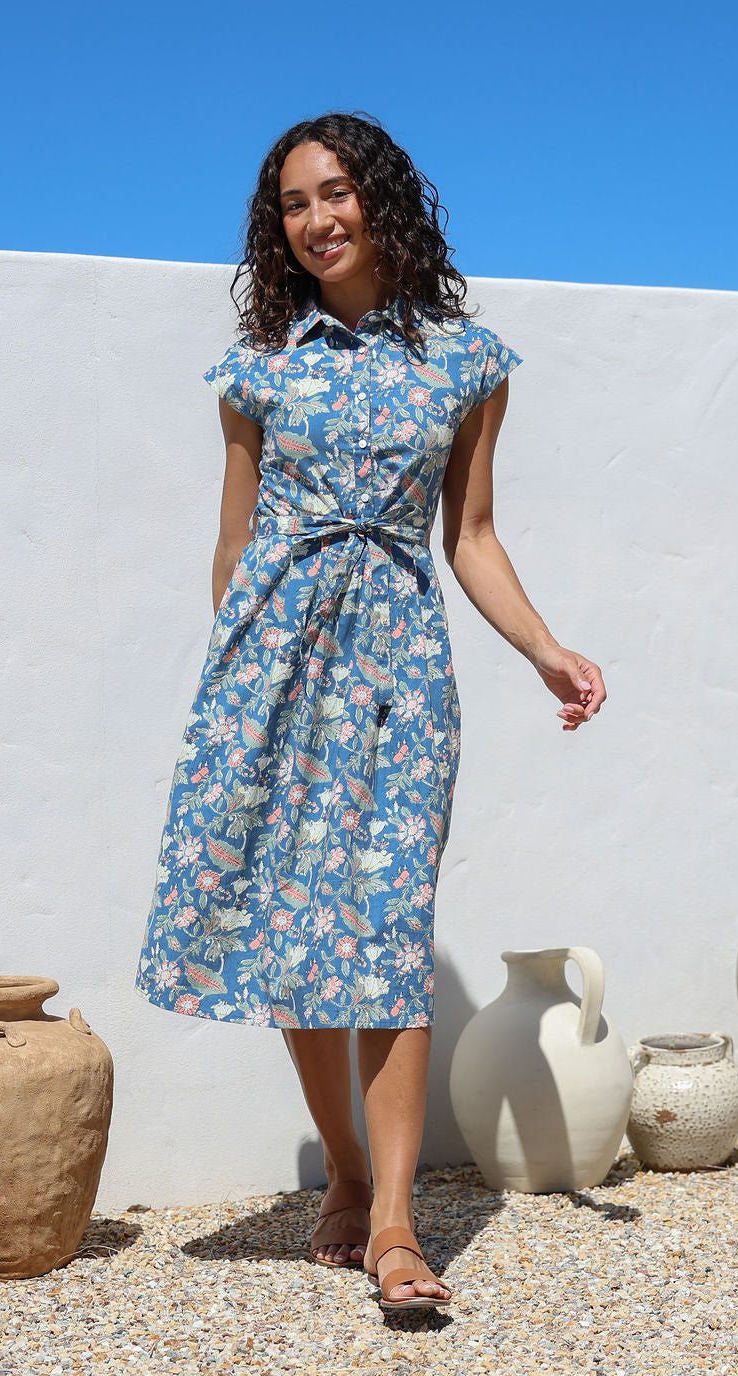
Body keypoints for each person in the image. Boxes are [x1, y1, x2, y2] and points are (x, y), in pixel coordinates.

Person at [136, 113, 606, 1313]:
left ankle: (395, 1225)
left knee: (389, 928)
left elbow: (472, 534)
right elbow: (233, 541)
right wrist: (229, 682)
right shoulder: (257, 367)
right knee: (293, 934)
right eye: (293, 204)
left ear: (382, 202)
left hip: (399, 664)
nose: (316, 220)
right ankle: (343, 1170)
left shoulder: (464, 361)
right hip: (272, 660)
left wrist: (548, 648)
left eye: (335, 193)